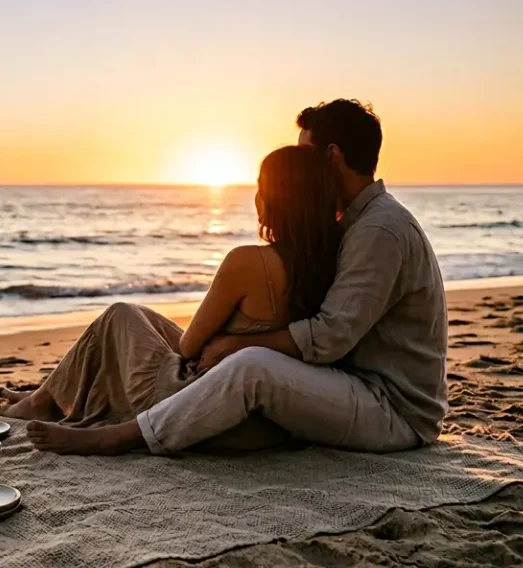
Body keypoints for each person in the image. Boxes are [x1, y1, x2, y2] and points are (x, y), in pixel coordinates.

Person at [25, 100, 449, 456]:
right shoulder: (349, 227)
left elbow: (330, 336)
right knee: (143, 320)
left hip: (390, 409)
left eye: (305, 155)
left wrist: (236, 343)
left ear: (332, 156)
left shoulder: (378, 230)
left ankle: (121, 436)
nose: (300, 168)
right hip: (352, 387)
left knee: (250, 365)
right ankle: (48, 400)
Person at [2, 142, 342, 451]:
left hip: (197, 406)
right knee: (140, 315)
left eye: (260, 188)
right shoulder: (335, 261)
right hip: (267, 424)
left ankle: (43, 400)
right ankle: (46, 394)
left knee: (119, 315)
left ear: (274, 198)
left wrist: (221, 343)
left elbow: (189, 347)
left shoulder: (250, 261)